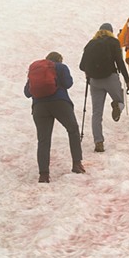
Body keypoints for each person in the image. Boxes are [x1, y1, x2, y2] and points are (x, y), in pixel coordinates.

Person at [24, 51, 85, 183]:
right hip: (60, 103)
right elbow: (68, 84)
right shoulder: (61, 67)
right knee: (72, 129)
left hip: (39, 107)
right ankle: (76, 164)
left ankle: (44, 175)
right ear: (59, 60)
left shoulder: (36, 69)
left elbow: (27, 92)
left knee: (43, 140)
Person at [79, 23, 129, 152]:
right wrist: (128, 80)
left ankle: (98, 142)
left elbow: (82, 65)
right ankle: (117, 106)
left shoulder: (90, 44)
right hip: (110, 78)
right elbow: (120, 62)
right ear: (111, 31)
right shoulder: (114, 42)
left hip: (94, 81)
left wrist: (90, 73)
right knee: (120, 101)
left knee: (96, 113)